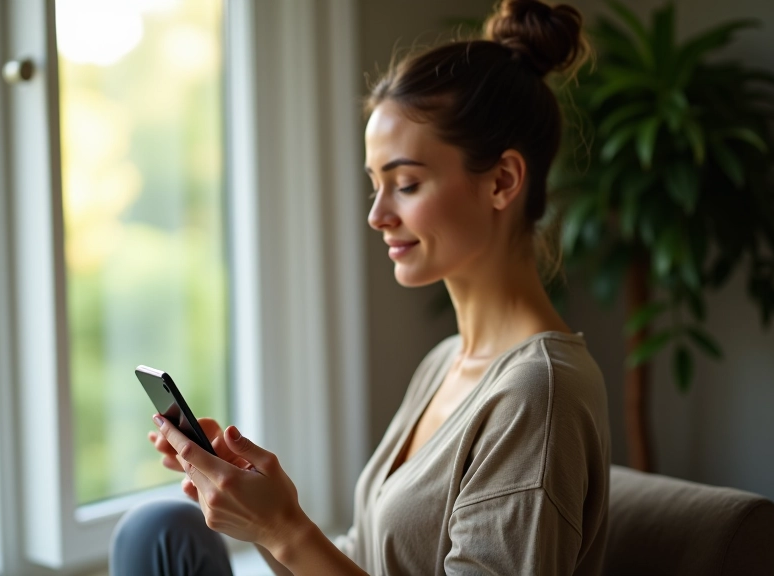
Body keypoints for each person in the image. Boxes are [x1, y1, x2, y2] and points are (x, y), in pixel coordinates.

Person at [110, 0, 610, 574]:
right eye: (375, 184)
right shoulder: (448, 362)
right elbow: (368, 561)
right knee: (159, 529)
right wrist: (260, 512)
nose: (377, 215)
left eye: (406, 183)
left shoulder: (537, 394)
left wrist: (284, 527)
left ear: (502, 181)